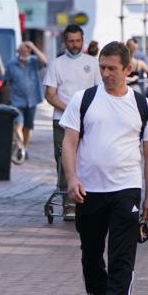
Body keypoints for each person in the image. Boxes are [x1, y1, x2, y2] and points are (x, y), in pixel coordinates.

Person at [60, 41, 148, 295]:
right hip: (88, 189)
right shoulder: (84, 99)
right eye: (101, 67)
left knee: (122, 252)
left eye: (111, 68)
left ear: (128, 69)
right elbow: (69, 142)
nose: (105, 73)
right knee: (91, 253)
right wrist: (71, 179)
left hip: (127, 187)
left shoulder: (143, 105)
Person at [43, 24, 101, 221]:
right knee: (63, 160)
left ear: (82, 40)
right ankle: (69, 204)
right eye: (71, 41)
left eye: (78, 41)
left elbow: (100, 91)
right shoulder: (56, 64)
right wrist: (70, 108)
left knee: (88, 159)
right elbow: (49, 95)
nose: (75, 45)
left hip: (88, 121)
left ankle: (88, 200)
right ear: (64, 42)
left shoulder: (93, 63)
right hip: (62, 121)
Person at [5, 41, 48, 157]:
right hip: (16, 101)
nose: (26, 52)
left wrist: (34, 47)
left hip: (32, 100)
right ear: (18, 52)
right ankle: (20, 147)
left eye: (28, 50)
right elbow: (7, 82)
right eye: (23, 50)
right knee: (18, 124)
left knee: (28, 126)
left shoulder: (34, 61)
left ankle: (24, 148)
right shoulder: (11, 64)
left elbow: (45, 61)